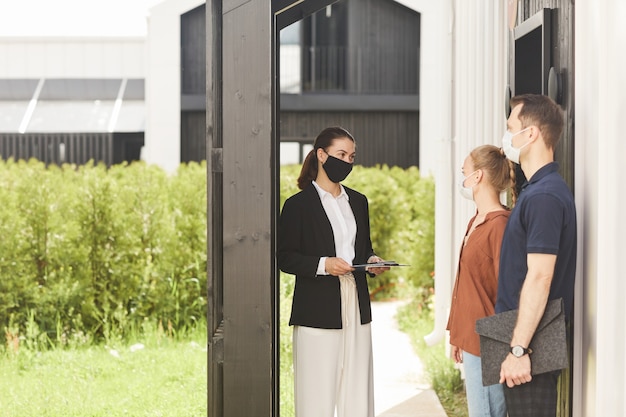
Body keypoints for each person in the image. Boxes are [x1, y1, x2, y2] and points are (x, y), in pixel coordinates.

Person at [277, 126, 389, 417]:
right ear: (321, 155)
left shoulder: (358, 201)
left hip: (356, 302)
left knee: (357, 391)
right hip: (317, 309)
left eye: (352, 156)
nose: (347, 162)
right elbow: (285, 258)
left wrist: (372, 261)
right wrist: (324, 264)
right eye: (341, 154)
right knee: (317, 393)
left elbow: (361, 250)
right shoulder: (297, 205)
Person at [496, 94, 577, 417]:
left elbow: (540, 276)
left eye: (510, 128)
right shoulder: (537, 191)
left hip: (532, 347)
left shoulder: (544, 197)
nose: (506, 137)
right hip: (526, 341)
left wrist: (518, 349)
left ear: (530, 134)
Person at [446, 144, 514, 417]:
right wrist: (455, 333)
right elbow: (465, 283)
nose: (462, 177)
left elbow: (507, 289)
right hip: (472, 338)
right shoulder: (476, 220)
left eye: (465, 172)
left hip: (489, 342)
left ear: (478, 177)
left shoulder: (500, 225)